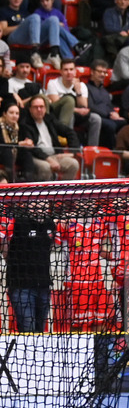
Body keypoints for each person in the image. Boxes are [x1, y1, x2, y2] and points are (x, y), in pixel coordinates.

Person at [2, 199, 55, 332]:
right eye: (34, 201)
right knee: (28, 331)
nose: (38, 204)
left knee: (39, 332)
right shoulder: (17, 221)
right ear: (26, 203)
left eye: (42, 200)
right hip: (21, 287)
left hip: (43, 286)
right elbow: (4, 247)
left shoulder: (50, 224)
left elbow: (50, 247)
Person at [20, 93, 79, 181]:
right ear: (30, 109)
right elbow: (32, 148)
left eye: (41, 107)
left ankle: (62, 192)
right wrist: (48, 159)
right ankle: (42, 193)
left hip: (55, 155)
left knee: (73, 164)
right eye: (36, 107)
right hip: (37, 157)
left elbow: (70, 132)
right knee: (46, 167)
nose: (39, 110)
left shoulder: (49, 119)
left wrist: (72, 152)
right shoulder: (25, 124)